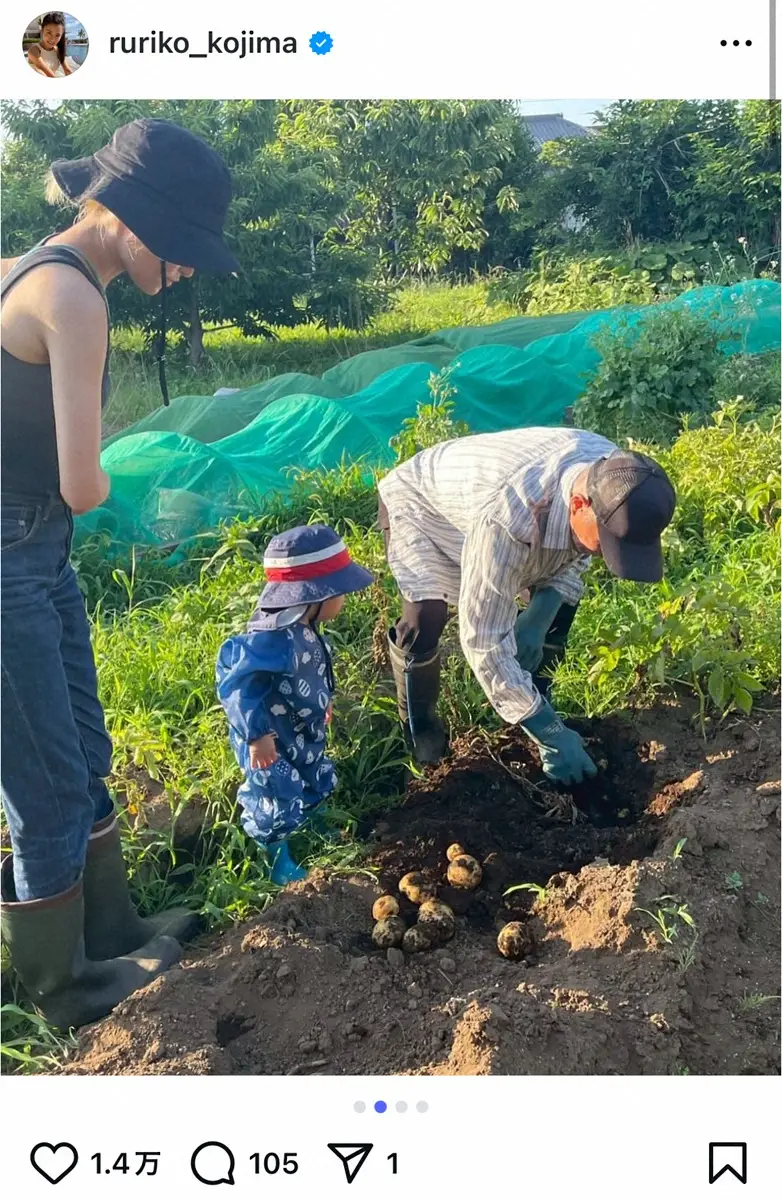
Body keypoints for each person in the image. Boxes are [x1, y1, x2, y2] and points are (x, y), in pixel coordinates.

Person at [1, 118, 240, 1030]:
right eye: (180, 251)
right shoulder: (73, 299)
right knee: (48, 784)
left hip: (35, 548)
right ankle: (62, 991)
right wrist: (132, 476)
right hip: (11, 555)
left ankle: (111, 927)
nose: (182, 271)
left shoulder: (38, 270)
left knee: (86, 755)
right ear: (132, 220)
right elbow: (83, 483)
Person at [378, 426, 676, 783]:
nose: (602, 553)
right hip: (422, 502)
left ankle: (534, 707)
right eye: (605, 544)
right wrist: (552, 737)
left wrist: (540, 614)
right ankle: (423, 735)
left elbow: (577, 551)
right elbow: (483, 639)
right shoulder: (509, 518)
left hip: (500, 505)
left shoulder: (620, 478)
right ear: (580, 504)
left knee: (555, 606)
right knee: (426, 614)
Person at [216, 525, 373, 885]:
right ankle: (278, 862)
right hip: (272, 740)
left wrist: (324, 703)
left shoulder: (303, 627)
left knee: (311, 772)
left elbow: (316, 669)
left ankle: (313, 825)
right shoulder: (272, 639)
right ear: (314, 596)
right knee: (276, 793)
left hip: (301, 730)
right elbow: (237, 684)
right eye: (339, 593)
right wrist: (257, 736)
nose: (343, 601)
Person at [27, 12, 74, 77]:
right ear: (42, 30)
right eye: (49, 33)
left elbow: (67, 70)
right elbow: (49, 74)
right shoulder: (34, 51)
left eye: (57, 35)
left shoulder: (57, 50)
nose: (52, 39)